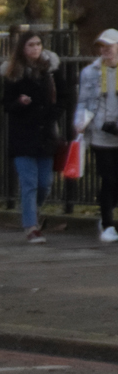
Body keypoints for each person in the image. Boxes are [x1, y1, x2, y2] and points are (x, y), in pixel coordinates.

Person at [1, 31, 61, 243]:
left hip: (45, 134)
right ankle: (31, 227)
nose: (35, 48)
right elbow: (6, 104)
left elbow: (60, 99)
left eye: (38, 44)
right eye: (30, 45)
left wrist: (54, 115)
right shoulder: (14, 74)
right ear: (22, 49)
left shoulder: (50, 72)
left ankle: (32, 209)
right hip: (23, 135)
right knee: (29, 182)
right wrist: (19, 103)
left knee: (45, 182)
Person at [73, 28, 118, 242]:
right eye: (102, 46)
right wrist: (80, 122)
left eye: (109, 45)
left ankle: (107, 213)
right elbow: (84, 101)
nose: (105, 49)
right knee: (108, 179)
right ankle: (107, 223)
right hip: (101, 135)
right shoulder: (90, 72)